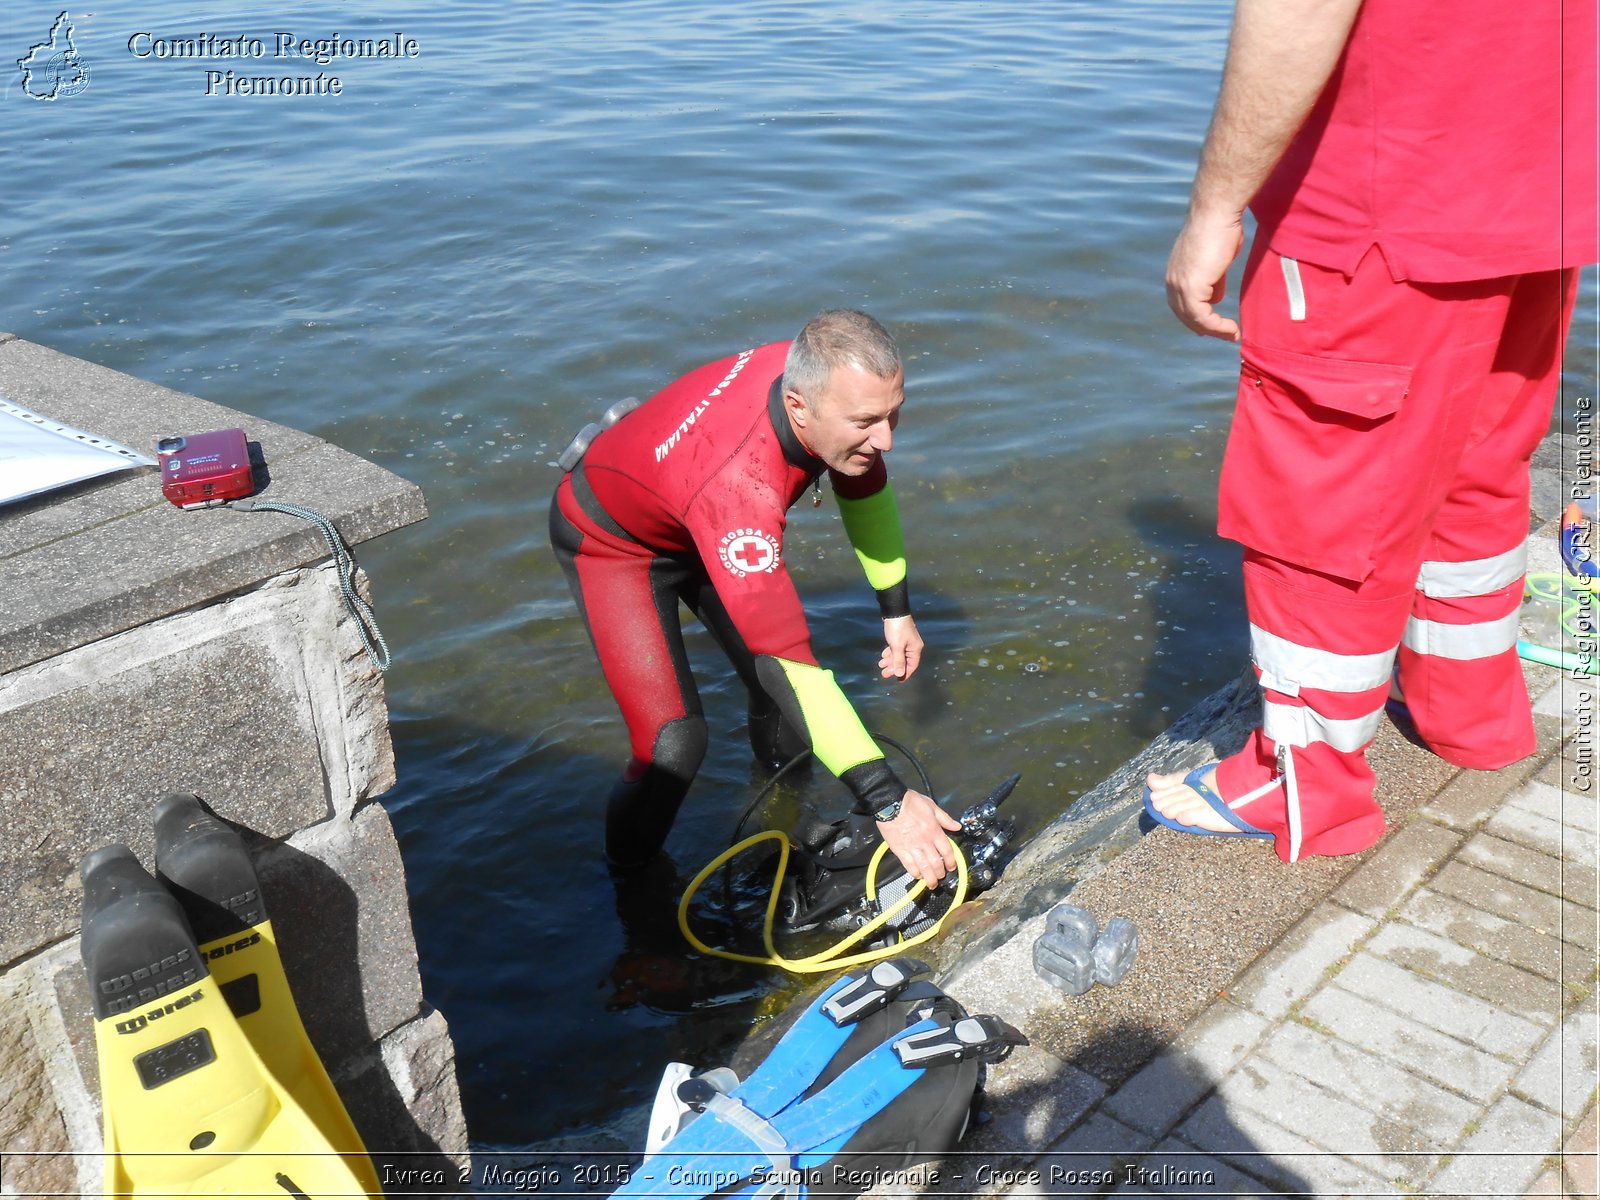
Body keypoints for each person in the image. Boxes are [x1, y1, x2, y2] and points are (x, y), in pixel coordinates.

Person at [1145, 0, 1598, 861]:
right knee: (1478, 463)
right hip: (1544, 182)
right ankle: (1470, 715)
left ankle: (1305, 788)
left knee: (1319, 511)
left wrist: (1214, 208)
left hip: (1377, 202)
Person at [550, 309, 961, 884]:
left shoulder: (822, 383)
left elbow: (865, 494)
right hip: (614, 543)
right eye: (868, 421)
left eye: (894, 413)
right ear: (798, 408)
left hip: (692, 503)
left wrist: (897, 613)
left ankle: (783, 814)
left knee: (778, 701)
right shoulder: (740, 484)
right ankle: (631, 890)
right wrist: (887, 799)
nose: (887, 437)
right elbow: (789, 660)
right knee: (675, 743)